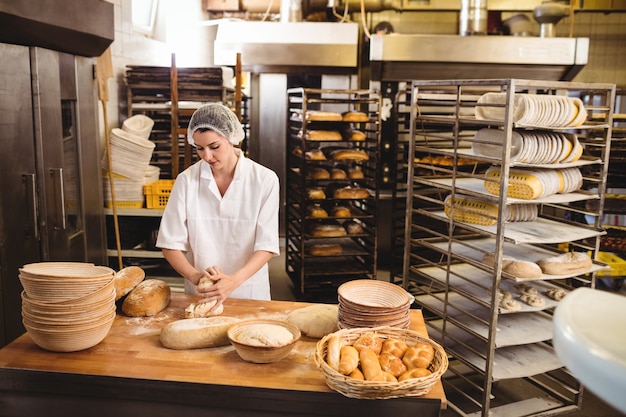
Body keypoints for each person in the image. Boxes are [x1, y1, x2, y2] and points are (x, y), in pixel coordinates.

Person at [156, 103, 280, 310]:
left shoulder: (264, 179)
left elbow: (266, 245)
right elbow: (170, 244)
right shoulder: (186, 181)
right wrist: (196, 277)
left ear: (232, 138)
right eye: (199, 148)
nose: (207, 156)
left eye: (214, 147)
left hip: (249, 291)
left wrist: (233, 281)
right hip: (202, 295)